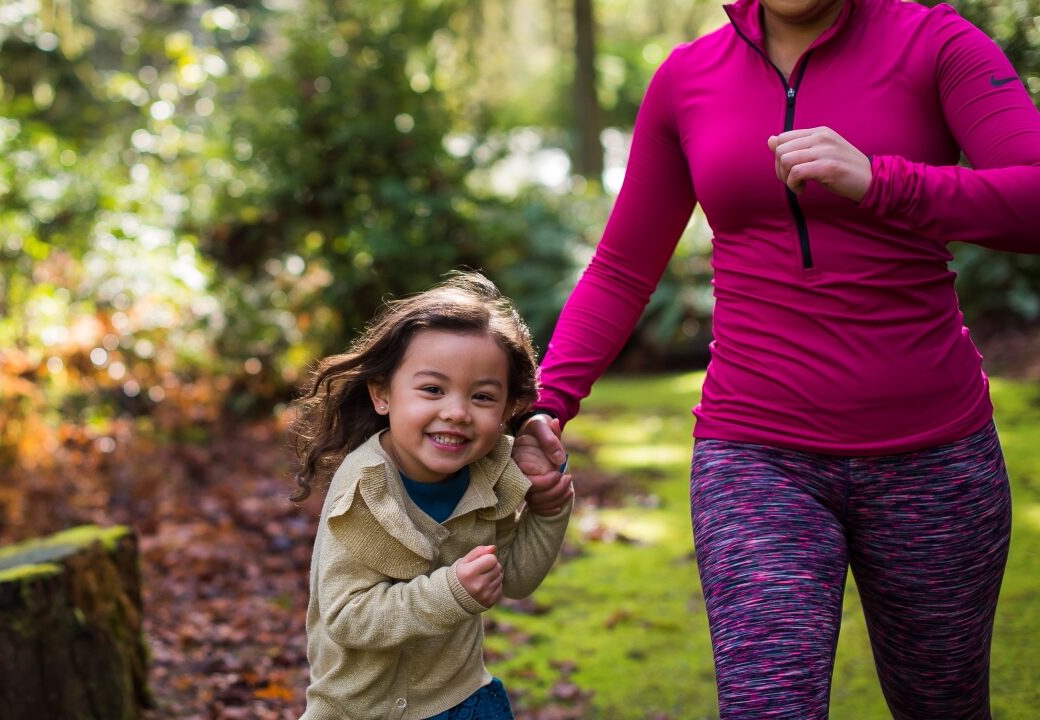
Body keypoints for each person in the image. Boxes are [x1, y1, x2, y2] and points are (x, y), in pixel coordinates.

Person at [512, 0, 1040, 718]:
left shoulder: (936, 42)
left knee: (941, 703)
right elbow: (622, 267)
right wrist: (551, 399)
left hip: (934, 456)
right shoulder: (687, 77)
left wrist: (883, 182)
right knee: (768, 705)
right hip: (756, 456)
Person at [293, 272, 574, 720]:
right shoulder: (365, 487)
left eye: (482, 396)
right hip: (360, 709)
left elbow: (516, 579)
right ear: (383, 393)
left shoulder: (492, 469)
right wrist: (452, 592)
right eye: (432, 389)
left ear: (505, 409)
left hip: (460, 698)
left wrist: (547, 509)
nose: (457, 412)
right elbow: (348, 617)